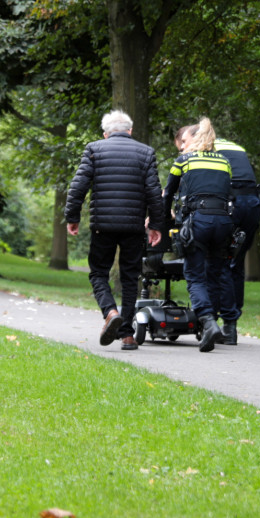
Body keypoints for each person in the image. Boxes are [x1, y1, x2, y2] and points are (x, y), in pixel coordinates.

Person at [66, 110, 163, 351]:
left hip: (103, 225)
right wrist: (156, 225)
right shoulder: (146, 152)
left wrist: (73, 217)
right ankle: (128, 335)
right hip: (133, 226)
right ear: (130, 131)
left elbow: (78, 186)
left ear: (105, 134)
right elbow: (154, 193)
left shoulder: (94, 149)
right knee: (130, 278)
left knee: (98, 272)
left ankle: (110, 312)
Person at [176, 123, 260, 345]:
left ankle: (211, 322)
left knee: (214, 266)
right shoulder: (236, 147)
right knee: (234, 263)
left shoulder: (205, 151)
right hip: (252, 205)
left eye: (183, 145)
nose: (183, 150)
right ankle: (230, 326)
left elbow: (193, 188)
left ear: (196, 138)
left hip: (227, 207)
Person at [164, 117, 238, 352]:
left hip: (197, 223)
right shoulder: (225, 162)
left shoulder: (183, 161)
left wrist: (162, 220)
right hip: (223, 223)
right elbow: (228, 192)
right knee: (214, 275)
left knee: (194, 275)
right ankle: (212, 323)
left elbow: (167, 196)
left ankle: (207, 321)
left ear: (194, 139)